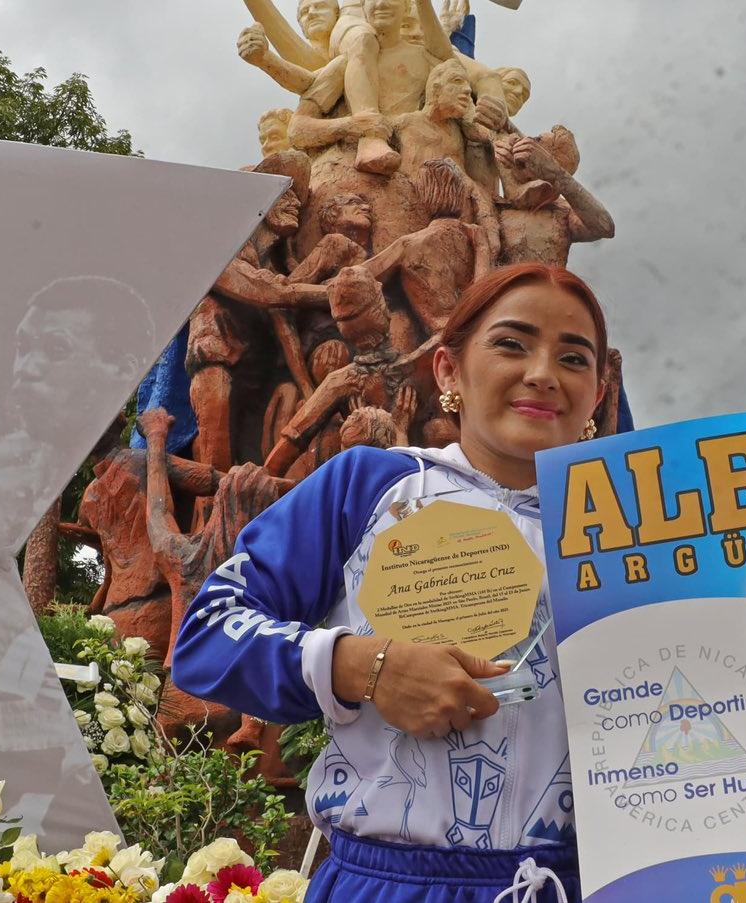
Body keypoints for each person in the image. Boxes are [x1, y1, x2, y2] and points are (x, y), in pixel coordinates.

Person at [171, 263, 610, 902]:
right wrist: (363, 666)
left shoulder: (632, 531)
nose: (543, 373)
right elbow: (207, 635)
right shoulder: (370, 486)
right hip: (392, 887)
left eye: (574, 357)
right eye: (512, 343)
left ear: (597, 394)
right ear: (449, 371)